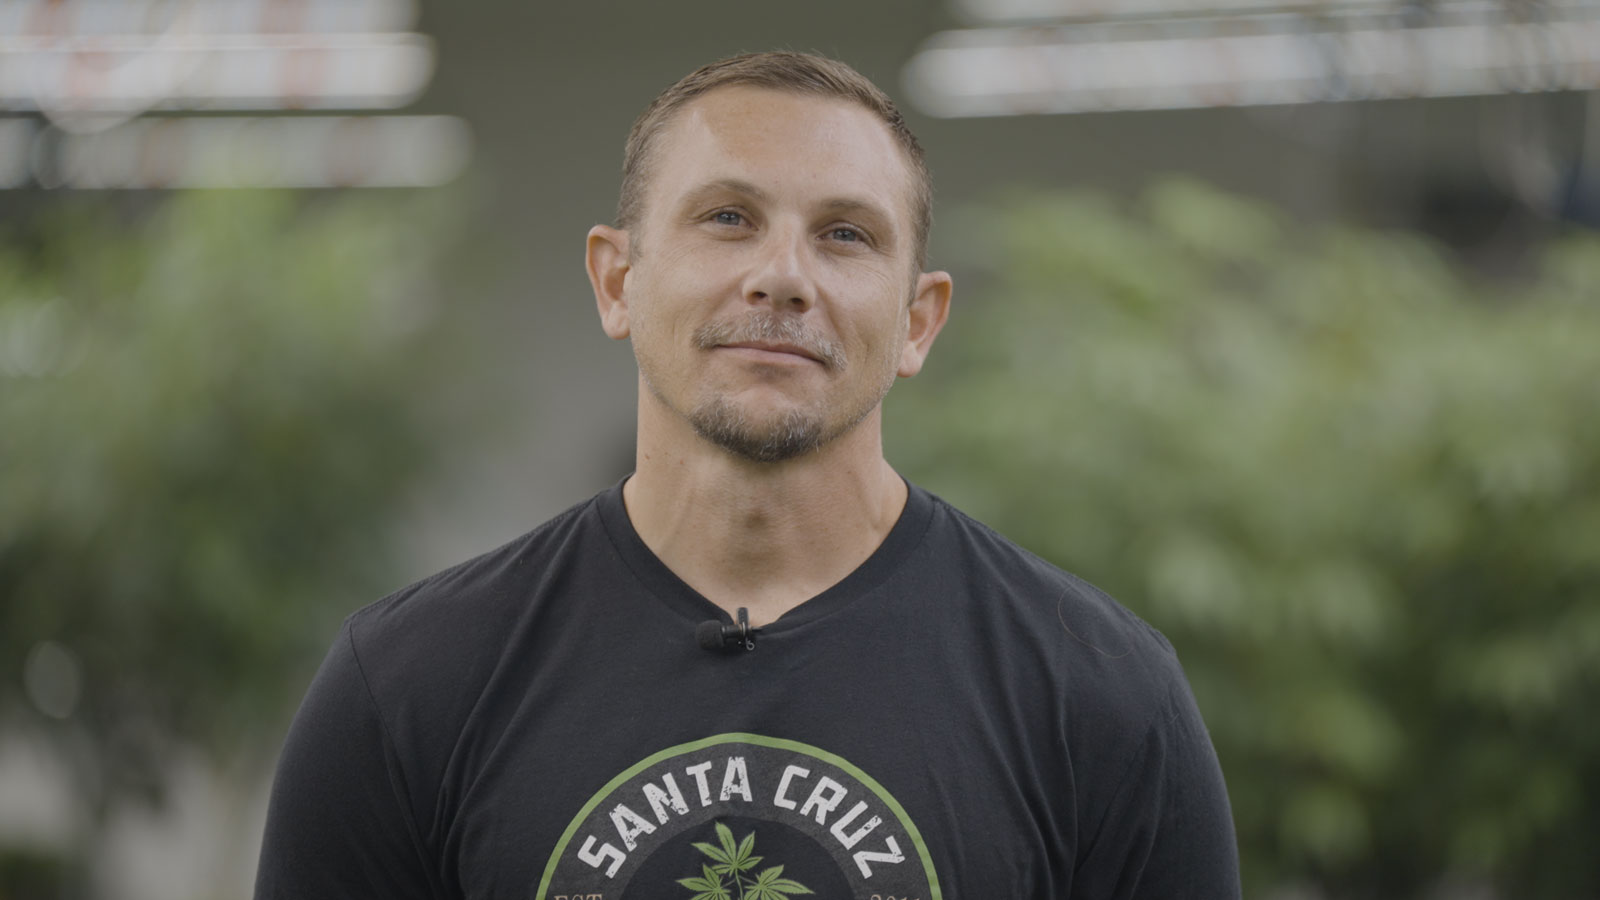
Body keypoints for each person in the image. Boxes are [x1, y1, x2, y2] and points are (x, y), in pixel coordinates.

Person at [254, 51, 1241, 900]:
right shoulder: (409, 687)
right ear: (616, 281)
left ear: (917, 321)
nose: (782, 275)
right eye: (727, 218)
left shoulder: (1100, 698)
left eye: (845, 234)